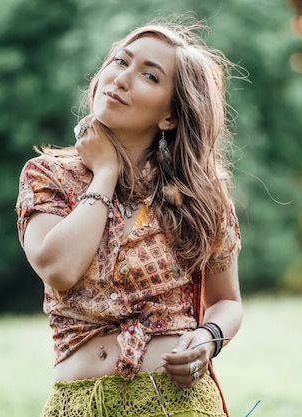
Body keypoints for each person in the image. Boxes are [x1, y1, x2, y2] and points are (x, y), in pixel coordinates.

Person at [15, 16, 243, 417]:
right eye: (121, 62)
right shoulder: (48, 175)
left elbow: (226, 301)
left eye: (150, 77)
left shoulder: (200, 195)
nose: (121, 78)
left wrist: (208, 339)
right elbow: (59, 268)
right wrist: (105, 174)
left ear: (170, 116)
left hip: (178, 404)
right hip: (79, 405)